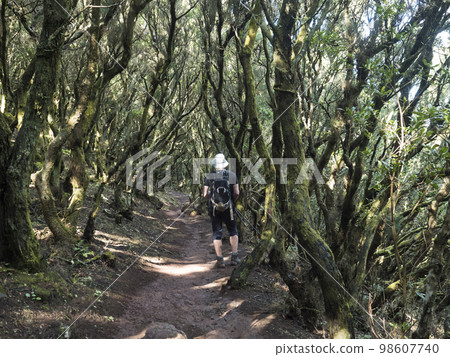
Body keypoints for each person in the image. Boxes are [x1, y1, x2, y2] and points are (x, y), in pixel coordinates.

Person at [202, 153, 240, 268]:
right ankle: (234, 257)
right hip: (229, 208)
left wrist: (213, 196)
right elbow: (237, 192)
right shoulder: (232, 175)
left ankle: (220, 260)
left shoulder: (209, 176)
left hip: (214, 209)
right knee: (233, 231)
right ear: (224, 163)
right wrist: (231, 200)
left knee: (217, 233)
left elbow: (204, 194)